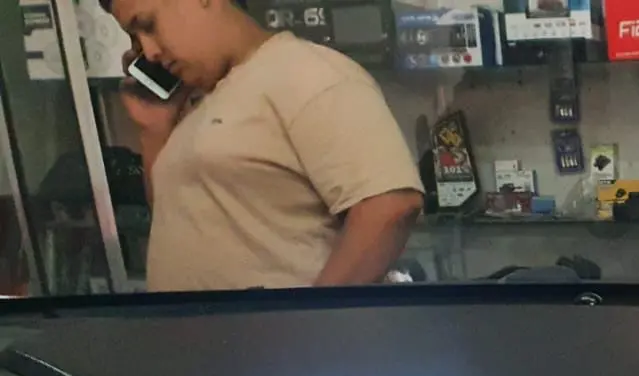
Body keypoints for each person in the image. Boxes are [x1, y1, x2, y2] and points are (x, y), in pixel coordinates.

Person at [106, 0, 423, 290]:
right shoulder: (201, 104)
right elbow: (175, 217)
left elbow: (390, 207)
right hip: (203, 333)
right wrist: (154, 130)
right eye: (135, 38)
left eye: (147, 25)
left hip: (278, 333)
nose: (148, 52)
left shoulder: (306, 70)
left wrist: (312, 320)